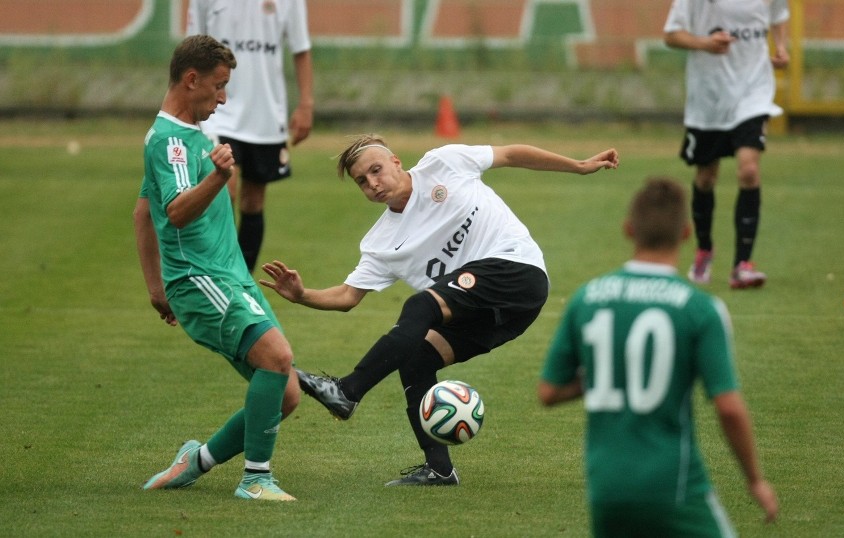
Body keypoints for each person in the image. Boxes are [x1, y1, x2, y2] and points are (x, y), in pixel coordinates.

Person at [259, 134, 619, 486]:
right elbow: (348, 296)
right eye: (362, 181)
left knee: (421, 304)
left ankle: (348, 390)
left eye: (376, 169)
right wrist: (302, 294)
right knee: (416, 359)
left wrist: (579, 166)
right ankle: (439, 469)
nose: (373, 183)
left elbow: (510, 153)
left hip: (517, 271)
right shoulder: (380, 242)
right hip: (497, 314)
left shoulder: (444, 163)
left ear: (396, 162)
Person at [538, 177, 778, 536]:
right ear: (686, 233)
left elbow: (549, 392)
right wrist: (756, 480)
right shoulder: (700, 309)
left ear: (628, 229)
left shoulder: (587, 298)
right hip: (674, 486)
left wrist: (611, 370)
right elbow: (728, 407)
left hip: (605, 489)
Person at [133, 35, 301, 502]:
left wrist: (154, 287)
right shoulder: (170, 142)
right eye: (219, 86)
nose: (223, 97)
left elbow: (143, 213)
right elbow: (175, 212)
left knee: (285, 393)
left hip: (227, 277)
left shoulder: (181, 134)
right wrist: (219, 177)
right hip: (202, 278)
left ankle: (198, 460)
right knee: (278, 358)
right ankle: (255, 479)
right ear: (192, 80)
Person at [663, 0, 790, 289]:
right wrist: (705, 43)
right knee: (706, 177)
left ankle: (743, 265)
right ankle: (704, 249)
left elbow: (779, 14)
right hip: (709, 98)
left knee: (748, 170)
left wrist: (781, 46)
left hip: (753, 92)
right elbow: (671, 35)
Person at [187, 0, 314, 273]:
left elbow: (301, 48)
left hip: (265, 113)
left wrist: (306, 104)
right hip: (217, 110)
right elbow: (190, 50)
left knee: (253, 200)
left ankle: (239, 281)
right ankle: (212, 272)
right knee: (223, 186)